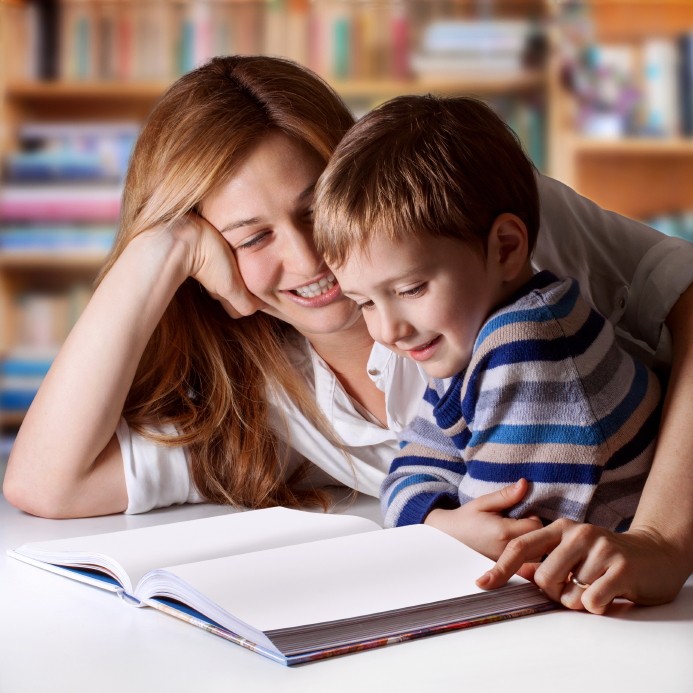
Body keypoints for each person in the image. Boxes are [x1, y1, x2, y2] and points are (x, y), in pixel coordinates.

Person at [3, 56, 693, 615]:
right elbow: (46, 484)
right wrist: (159, 250)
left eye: (314, 208)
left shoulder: (467, 216)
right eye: (251, 237)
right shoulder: (261, 394)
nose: (308, 260)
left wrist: (661, 538)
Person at [312, 94, 662, 567]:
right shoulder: (463, 341)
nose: (388, 330)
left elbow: (510, 538)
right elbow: (409, 470)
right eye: (365, 303)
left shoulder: (531, 341)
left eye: (411, 288)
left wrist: (438, 529)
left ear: (506, 247)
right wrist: (440, 522)